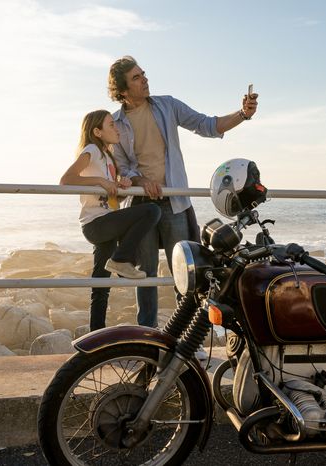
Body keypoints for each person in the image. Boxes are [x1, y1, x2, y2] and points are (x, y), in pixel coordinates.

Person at [107, 55, 259, 328]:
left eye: (144, 74)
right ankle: (147, 336)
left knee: (186, 272)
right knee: (146, 275)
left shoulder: (167, 105)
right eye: (137, 78)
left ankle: (186, 337)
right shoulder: (115, 124)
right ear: (123, 90)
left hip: (173, 202)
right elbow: (121, 168)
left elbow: (207, 125)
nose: (145, 80)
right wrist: (141, 180)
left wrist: (243, 114)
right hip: (141, 207)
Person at [60, 109, 162, 331]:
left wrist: (121, 187)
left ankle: (95, 336)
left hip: (105, 220)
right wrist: (101, 181)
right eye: (111, 125)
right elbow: (66, 179)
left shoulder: (108, 156)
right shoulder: (92, 150)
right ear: (97, 131)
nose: (116, 128)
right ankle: (123, 258)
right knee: (151, 211)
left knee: (101, 284)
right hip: (96, 224)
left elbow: (110, 199)